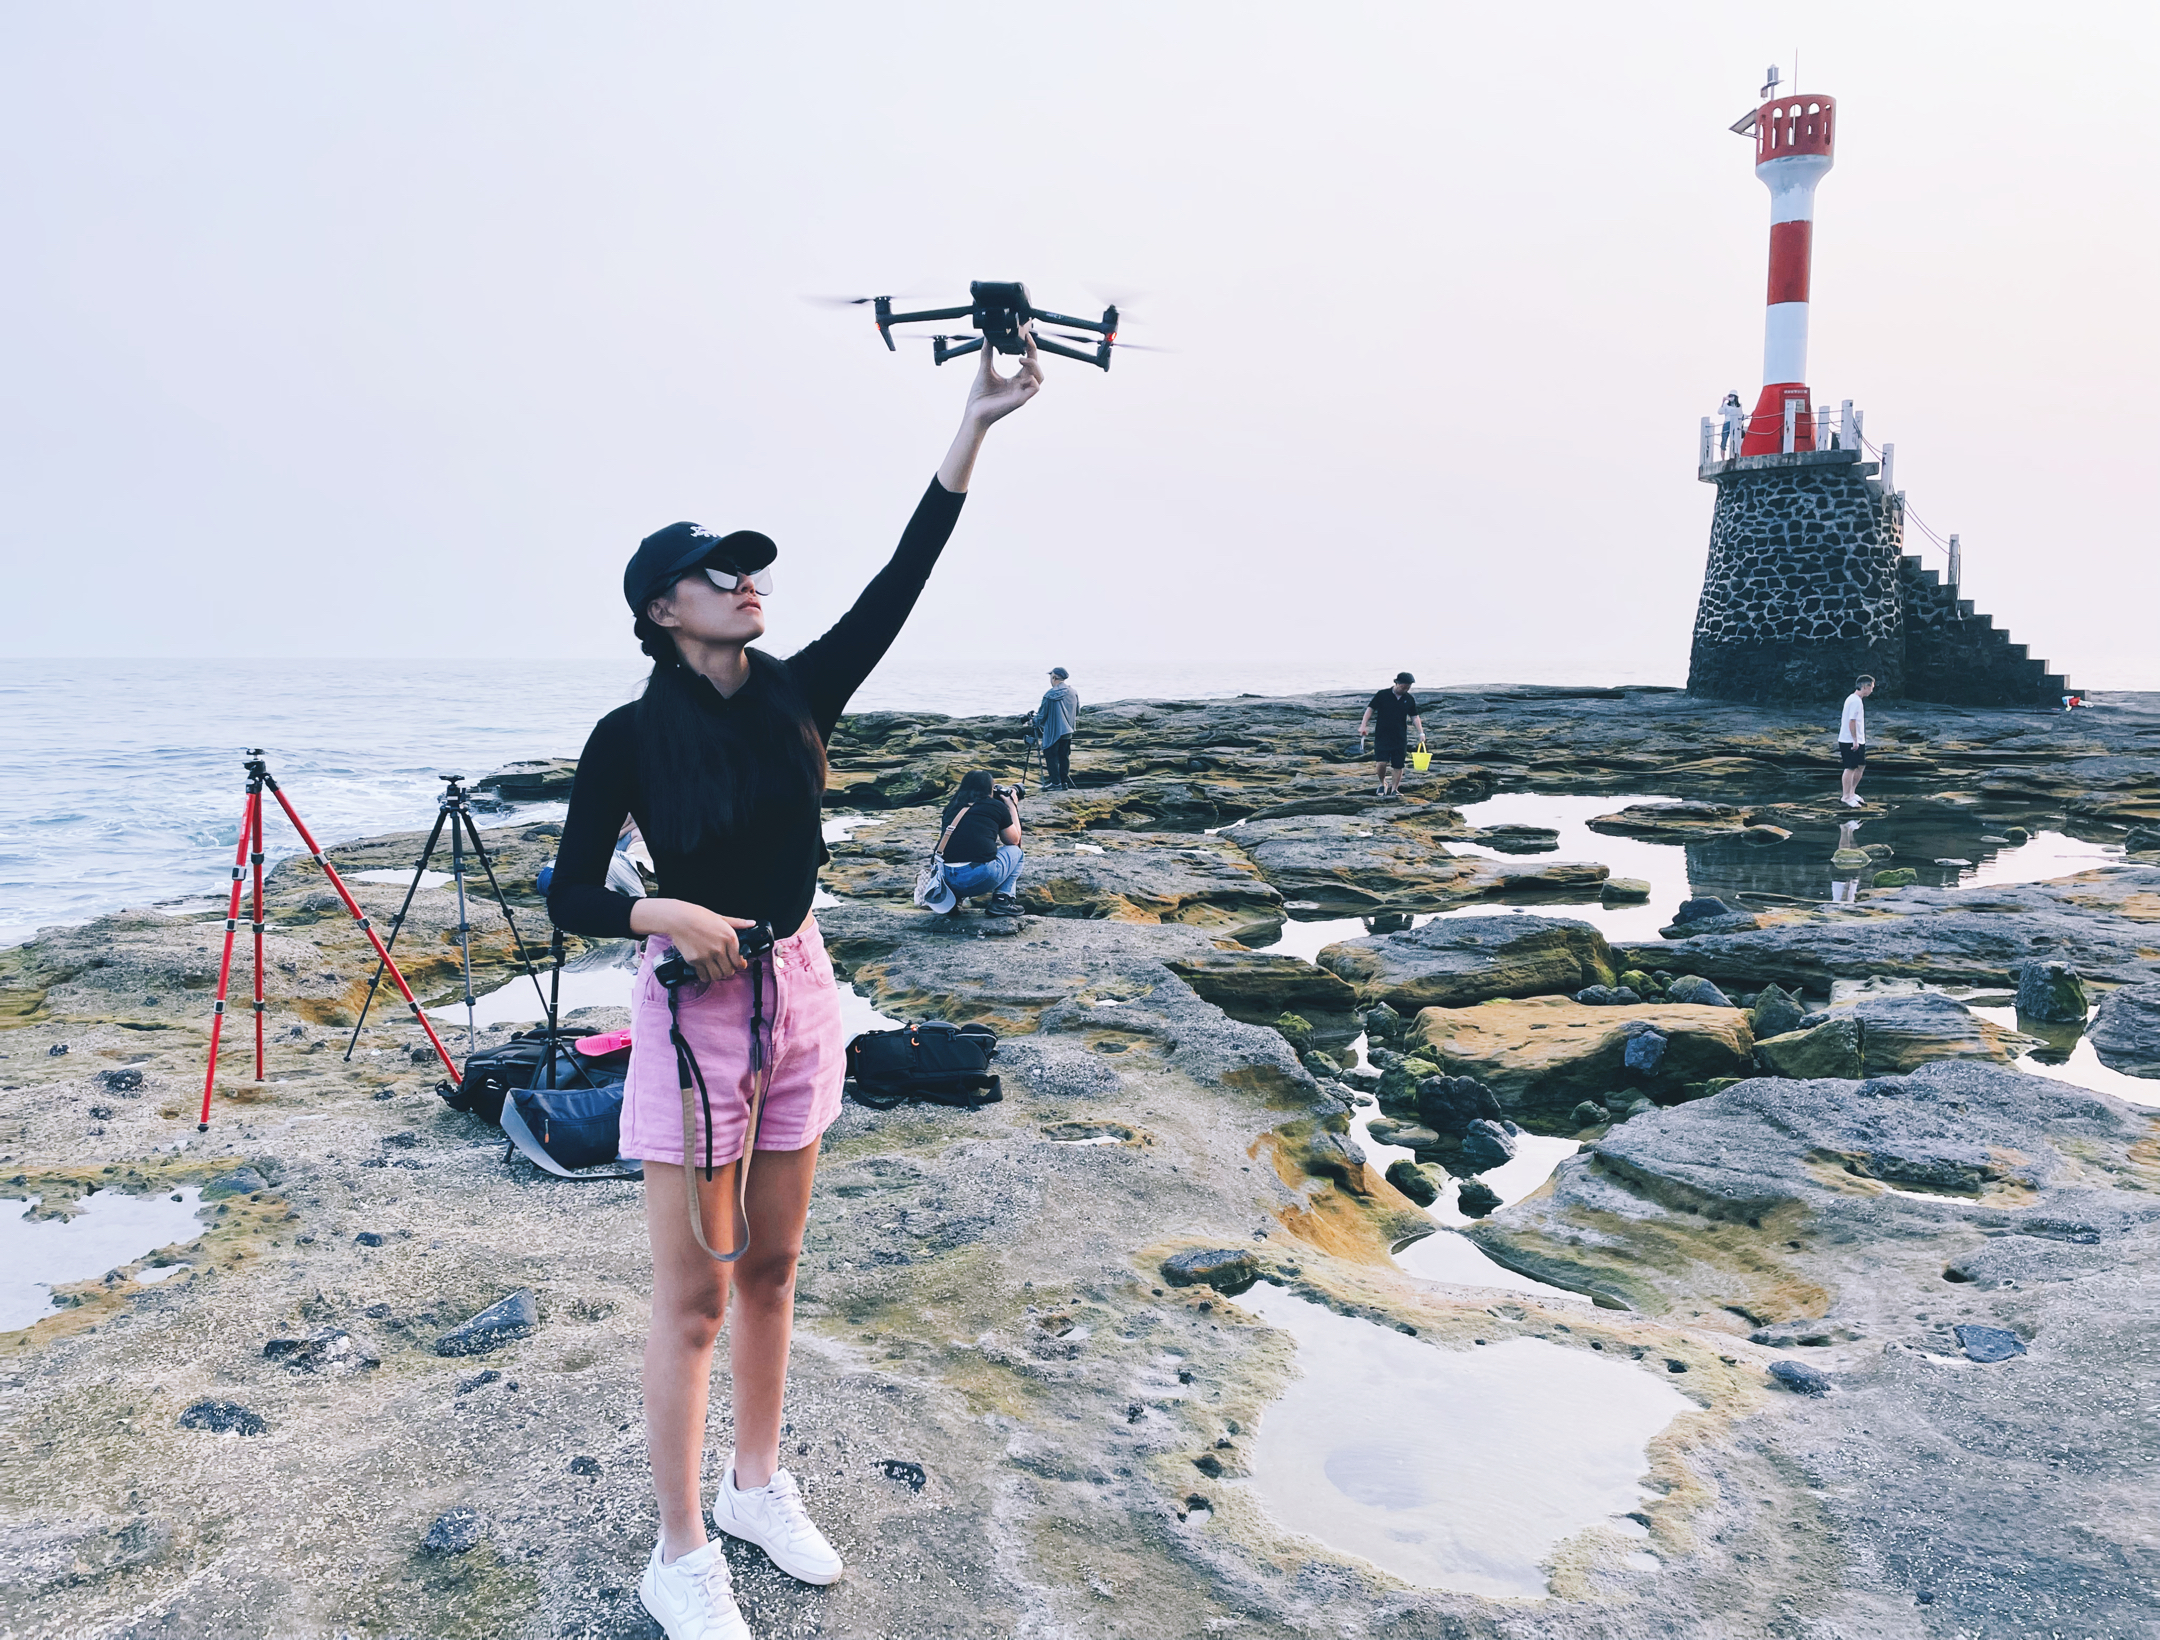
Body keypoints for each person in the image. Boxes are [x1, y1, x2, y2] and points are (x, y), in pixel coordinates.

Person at [546, 332, 1044, 1640]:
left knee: (771, 1270)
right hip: (692, 1015)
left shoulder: (799, 694)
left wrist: (973, 425)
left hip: (803, 990)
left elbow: (903, 577)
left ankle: (757, 1484)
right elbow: (570, 893)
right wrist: (662, 909)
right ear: (663, 610)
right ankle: (677, 1552)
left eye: (752, 569)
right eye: (718, 573)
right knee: (694, 1297)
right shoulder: (626, 738)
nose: (747, 583)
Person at [934, 769, 1025, 915]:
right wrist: (1012, 805)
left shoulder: (951, 807)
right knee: (1017, 853)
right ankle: (1002, 901)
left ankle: (953, 902)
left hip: (945, 879)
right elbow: (1013, 840)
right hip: (979, 877)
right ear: (989, 789)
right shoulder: (995, 806)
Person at [1358, 672, 1426, 799]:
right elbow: (1370, 709)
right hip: (1382, 734)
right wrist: (1363, 725)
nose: (1406, 689)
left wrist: (1421, 732)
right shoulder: (1382, 695)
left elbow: (1415, 716)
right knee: (1381, 762)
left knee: (1398, 764)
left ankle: (1395, 789)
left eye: (1408, 687)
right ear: (1397, 683)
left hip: (1400, 736)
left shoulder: (1409, 699)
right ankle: (1382, 783)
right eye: (1404, 687)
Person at [1034, 667, 1078, 789]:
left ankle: (1055, 783)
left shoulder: (1050, 694)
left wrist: (1033, 720)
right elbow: (1077, 711)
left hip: (1053, 732)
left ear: (1054, 677)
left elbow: (1041, 716)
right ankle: (1064, 783)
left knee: (1051, 756)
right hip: (1068, 731)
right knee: (1064, 757)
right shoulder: (1073, 692)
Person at [1838, 674, 1875, 807]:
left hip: (1858, 740)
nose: (1872, 690)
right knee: (1850, 767)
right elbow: (1851, 721)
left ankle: (1852, 793)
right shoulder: (1854, 701)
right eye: (1871, 687)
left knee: (1860, 765)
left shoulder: (1857, 700)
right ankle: (1846, 796)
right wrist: (1854, 740)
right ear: (1865, 687)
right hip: (1849, 740)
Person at [1718, 391, 1745, 459]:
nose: (1730, 397)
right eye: (1729, 396)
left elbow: (1741, 415)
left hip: (1736, 424)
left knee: (1736, 440)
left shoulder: (1739, 406)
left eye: (1732, 396)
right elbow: (1719, 411)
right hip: (1727, 423)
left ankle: (1736, 455)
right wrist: (1723, 402)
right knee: (1724, 440)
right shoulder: (1726, 405)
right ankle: (1723, 459)